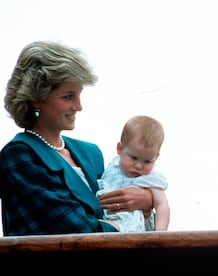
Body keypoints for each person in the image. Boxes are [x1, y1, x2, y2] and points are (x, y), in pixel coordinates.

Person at [0, 40, 153, 236]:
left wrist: (146, 201)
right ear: (37, 99)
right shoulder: (20, 155)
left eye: (79, 95)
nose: (79, 106)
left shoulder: (90, 153)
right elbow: (72, 228)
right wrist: (118, 227)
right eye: (68, 97)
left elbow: (120, 213)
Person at [97, 115, 170, 232]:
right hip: (106, 216)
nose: (139, 166)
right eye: (133, 158)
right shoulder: (114, 167)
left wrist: (160, 234)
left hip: (131, 227)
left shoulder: (150, 178)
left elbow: (162, 205)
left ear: (156, 157)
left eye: (147, 161)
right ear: (120, 149)